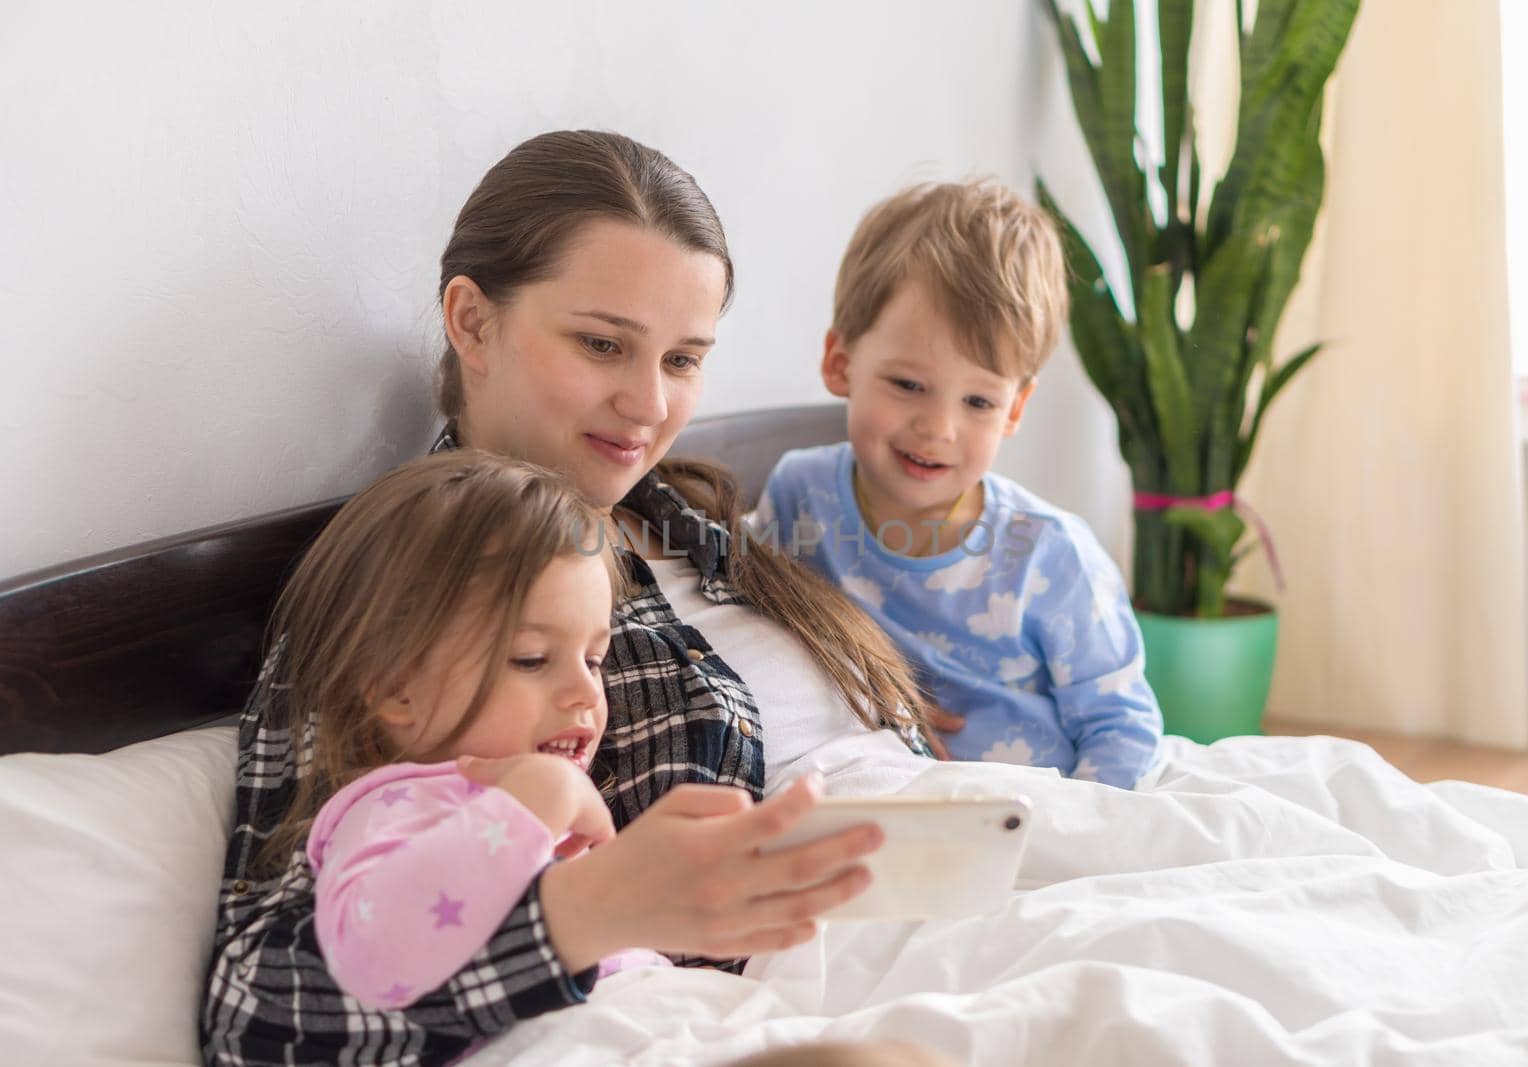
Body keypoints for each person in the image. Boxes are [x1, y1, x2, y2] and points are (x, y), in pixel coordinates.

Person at [204, 130, 936, 1067]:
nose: (647, 405)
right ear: (471, 322)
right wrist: (592, 909)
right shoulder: (421, 592)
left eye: (681, 360)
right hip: (762, 996)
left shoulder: (689, 523)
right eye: (602, 344)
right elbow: (256, 1008)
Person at [753, 179, 1162, 788]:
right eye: (908, 385)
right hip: (883, 804)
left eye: (978, 400)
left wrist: (1074, 840)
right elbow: (762, 632)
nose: (938, 428)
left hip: (1034, 814)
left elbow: (1121, 729)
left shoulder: (1051, 555)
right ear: (841, 364)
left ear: (1015, 410)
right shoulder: (799, 495)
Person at [256, 452, 670, 1026]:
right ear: (398, 688)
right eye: (531, 659)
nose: (585, 691)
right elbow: (373, 959)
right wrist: (537, 800)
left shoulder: (549, 816)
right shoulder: (392, 809)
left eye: (595, 659)